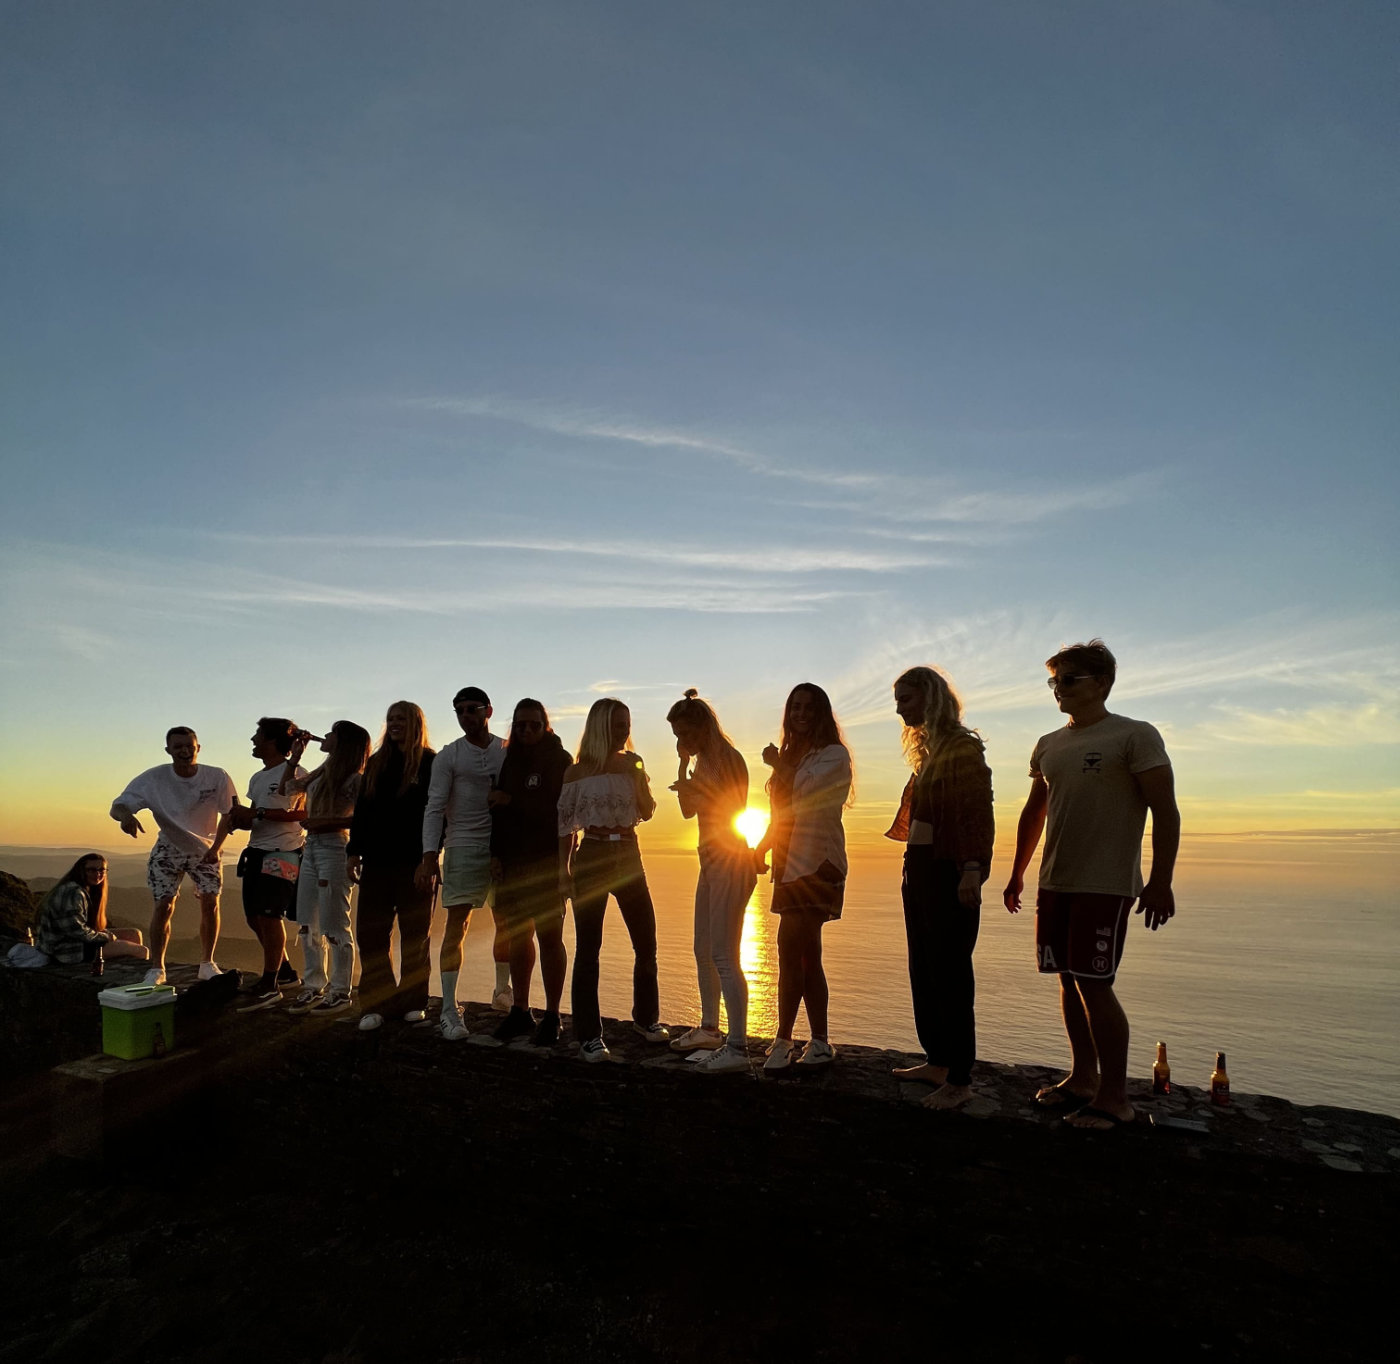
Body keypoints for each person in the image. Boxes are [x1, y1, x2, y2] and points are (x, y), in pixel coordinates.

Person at [1003, 639, 1180, 1131]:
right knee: (1067, 978)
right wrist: (1018, 872)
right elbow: (1034, 810)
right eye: (1053, 680)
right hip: (1055, 880)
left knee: (1095, 983)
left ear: (1101, 683)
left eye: (1068, 679)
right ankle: (1083, 1078)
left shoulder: (1134, 735)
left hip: (1105, 882)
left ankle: (1115, 1098)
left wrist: (1161, 881)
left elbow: (1165, 811)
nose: (1057, 688)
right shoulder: (1048, 744)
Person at [886, 666, 994, 1110]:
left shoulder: (961, 749)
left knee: (950, 973)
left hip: (948, 869)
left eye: (906, 699)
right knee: (925, 968)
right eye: (898, 700)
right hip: (921, 869)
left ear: (930, 698)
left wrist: (971, 869)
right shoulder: (931, 751)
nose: (899, 709)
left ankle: (960, 1079)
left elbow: (975, 812)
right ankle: (938, 1060)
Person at [559, 697, 669, 1061]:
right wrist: (563, 872)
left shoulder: (631, 765)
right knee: (588, 950)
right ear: (601, 727)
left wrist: (638, 777)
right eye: (618, 725)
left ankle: (646, 1019)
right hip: (592, 855)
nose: (624, 731)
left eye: (627, 725)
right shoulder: (577, 773)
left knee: (646, 943)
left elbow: (647, 811)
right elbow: (565, 828)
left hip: (628, 853)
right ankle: (589, 1035)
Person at [752, 684, 852, 1072]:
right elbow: (782, 813)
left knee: (790, 947)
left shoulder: (833, 756)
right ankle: (820, 1041)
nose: (801, 713)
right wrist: (762, 846)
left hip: (818, 862)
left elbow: (807, 794)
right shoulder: (794, 755)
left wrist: (778, 765)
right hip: (790, 863)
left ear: (821, 713)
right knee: (807, 954)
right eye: (795, 707)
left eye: (809, 707)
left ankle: (783, 1040)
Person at [666, 689, 756, 1074]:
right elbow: (689, 812)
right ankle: (709, 1029)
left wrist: (697, 791)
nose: (681, 741)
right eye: (677, 735)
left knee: (723, 954)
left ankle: (737, 1046)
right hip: (709, 860)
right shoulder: (701, 761)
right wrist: (683, 770)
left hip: (730, 859)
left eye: (685, 733)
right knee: (702, 948)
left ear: (703, 727)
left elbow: (734, 807)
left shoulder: (727, 759)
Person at [110, 726, 239, 985]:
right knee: (164, 905)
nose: (184, 751)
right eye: (178, 746)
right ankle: (157, 967)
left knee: (210, 903)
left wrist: (216, 848)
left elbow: (229, 814)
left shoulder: (217, 776)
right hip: (168, 847)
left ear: (198, 748)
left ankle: (207, 963)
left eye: (189, 746)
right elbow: (118, 805)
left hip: (206, 848)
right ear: (168, 750)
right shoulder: (154, 778)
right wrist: (126, 817)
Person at [417, 686, 507, 1041]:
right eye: (460, 711)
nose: (466, 716)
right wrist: (429, 855)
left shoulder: (506, 750)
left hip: (502, 847)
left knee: (507, 921)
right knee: (458, 925)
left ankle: (502, 991)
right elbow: (434, 806)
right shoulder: (449, 756)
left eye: (473, 709)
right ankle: (448, 1008)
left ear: (488, 711)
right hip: (462, 845)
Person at [347, 702, 437, 1031]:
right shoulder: (376, 763)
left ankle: (413, 1001)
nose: (395, 723)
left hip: (416, 863)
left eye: (401, 719)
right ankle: (376, 1004)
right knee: (371, 935)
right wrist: (353, 852)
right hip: (377, 862)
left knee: (415, 936)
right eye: (391, 719)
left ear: (415, 723)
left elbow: (437, 813)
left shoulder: (430, 763)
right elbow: (363, 811)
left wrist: (429, 859)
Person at [207, 718, 308, 1010]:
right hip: (257, 851)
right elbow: (256, 817)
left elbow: (303, 814)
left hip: (284, 852)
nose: (253, 740)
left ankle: (270, 983)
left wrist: (259, 813)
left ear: (272, 741)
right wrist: (241, 819)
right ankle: (284, 972)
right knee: (254, 917)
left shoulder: (297, 773)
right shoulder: (257, 777)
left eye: (258, 735)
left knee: (269, 916)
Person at [489, 698, 572, 1045]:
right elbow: (497, 811)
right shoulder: (510, 760)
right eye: (520, 725)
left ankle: (553, 1016)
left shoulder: (560, 760)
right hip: (513, 862)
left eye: (533, 725)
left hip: (547, 861)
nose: (526, 731)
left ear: (545, 725)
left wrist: (512, 801)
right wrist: (496, 855)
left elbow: (561, 812)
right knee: (518, 936)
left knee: (550, 938)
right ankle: (521, 1010)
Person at [279, 720, 371, 1014]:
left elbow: (365, 819)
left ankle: (340, 990)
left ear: (343, 742)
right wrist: (295, 757)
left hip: (334, 848)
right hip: (313, 848)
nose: (326, 735)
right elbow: (286, 789)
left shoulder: (355, 779)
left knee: (334, 924)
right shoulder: (321, 773)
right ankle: (313, 985)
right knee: (307, 923)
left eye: (332, 732)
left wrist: (325, 821)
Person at [35, 854, 148, 965]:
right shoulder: (73, 892)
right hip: (66, 950)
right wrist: (106, 937)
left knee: (134, 934)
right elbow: (76, 931)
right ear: (81, 871)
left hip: (76, 943)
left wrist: (106, 935)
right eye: (92, 870)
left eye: (102, 870)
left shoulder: (82, 889)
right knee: (141, 950)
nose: (98, 874)